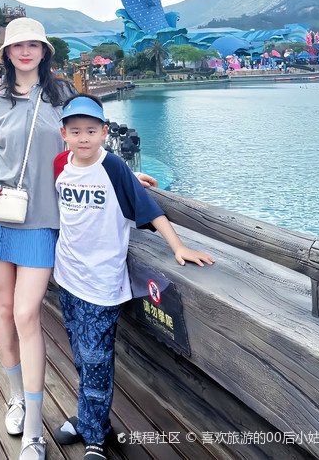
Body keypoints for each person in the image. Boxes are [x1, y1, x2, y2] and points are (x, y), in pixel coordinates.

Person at [51, 94, 214, 460]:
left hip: (101, 284)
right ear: (63, 133)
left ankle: (94, 436)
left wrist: (177, 247)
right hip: (67, 275)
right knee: (81, 355)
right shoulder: (61, 163)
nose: (83, 138)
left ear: (104, 132)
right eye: (75, 131)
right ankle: (91, 419)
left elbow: (150, 211)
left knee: (96, 359)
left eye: (91, 131)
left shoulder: (113, 168)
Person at [0, 17, 75, 459]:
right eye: (17, 45)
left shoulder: (62, 97)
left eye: (34, 45)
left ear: (44, 52)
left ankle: (34, 435)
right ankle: (16, 397)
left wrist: (123, 176)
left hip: (42, 219)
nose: (25, 52)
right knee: (3, 309)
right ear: (6, 53)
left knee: (28, 315)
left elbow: (85, 149)